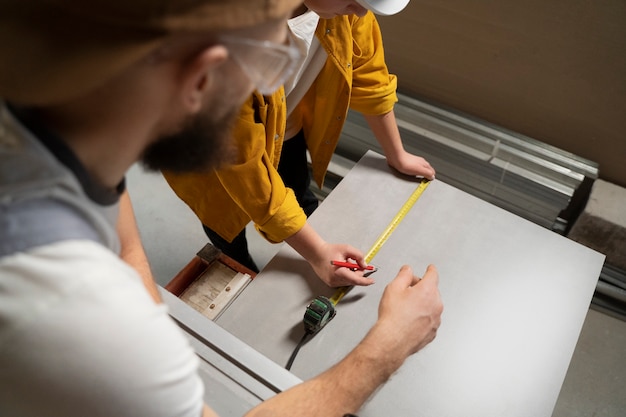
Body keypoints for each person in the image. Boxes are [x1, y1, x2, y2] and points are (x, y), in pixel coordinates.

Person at [0, 1, 443, 417]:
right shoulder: (67, 303)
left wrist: (153, 336)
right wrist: (388, 346)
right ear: (202, 79)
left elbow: (121, 227)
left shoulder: (58, 128)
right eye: (272, 64)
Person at [163, 0, 436, 288]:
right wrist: (318, 253)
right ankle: (238, 263)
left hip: (283, 127)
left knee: (296, 185)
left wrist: (397, 154)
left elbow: (370, 76)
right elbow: (242, 168)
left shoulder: (343, 9)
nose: (360, 11)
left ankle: (305, 237)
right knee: (226, 219)